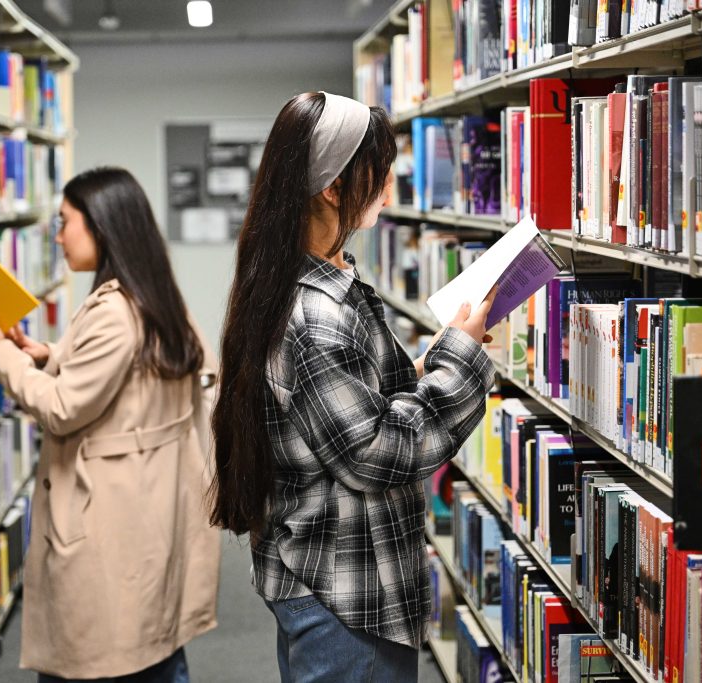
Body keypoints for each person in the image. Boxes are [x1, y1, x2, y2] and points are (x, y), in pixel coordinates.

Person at [209, 91, 496, 682]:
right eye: (378, 169)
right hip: (343, 593)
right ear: (333, 187)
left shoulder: (316, 278)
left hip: (331, 577)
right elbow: (377, 453)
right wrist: (461, 361)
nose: (389, 185)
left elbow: (357, 398)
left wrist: (436, 360)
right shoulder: (315, 315)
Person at [0, 166, 221, 683]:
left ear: (101, 226)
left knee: (101, 655)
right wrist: (47, 352)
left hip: (109, 517)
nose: (56, 236)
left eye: (64, 222)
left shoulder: (113, 313)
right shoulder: (157, 300)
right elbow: (130, 374)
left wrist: (3, 355)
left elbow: (60, 408)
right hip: (149, 507)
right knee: (153, 650)